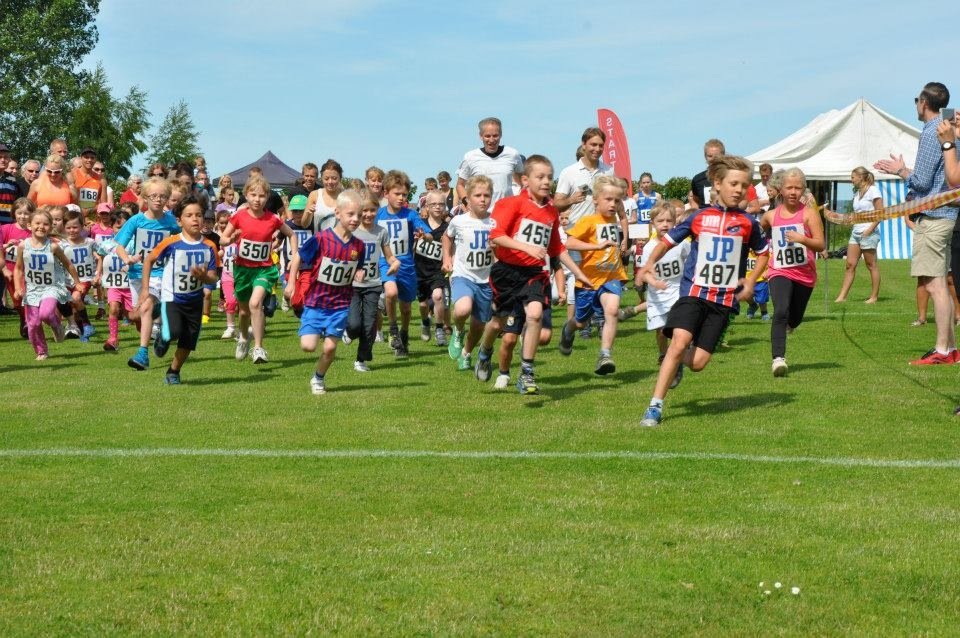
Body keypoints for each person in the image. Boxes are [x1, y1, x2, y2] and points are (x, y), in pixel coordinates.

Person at [639, 155, 770, 427]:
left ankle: (677, 361)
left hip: (723, 301)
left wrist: (750, 281)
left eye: (744, 185)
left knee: (698, 363)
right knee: (679, 341)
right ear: (718, 184)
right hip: (693, 293)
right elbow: (666, 242)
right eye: (733, 183)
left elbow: (763, 253)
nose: (739, 190)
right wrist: (649, 263)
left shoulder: (748, 223)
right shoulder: (699, 217)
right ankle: (655, 406)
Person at [473, 155, 590, 394]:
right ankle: (485, 351)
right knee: (497, 323)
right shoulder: (511, 204)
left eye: (550, 177)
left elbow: (557, 249)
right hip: (507, 273)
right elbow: (496, 236)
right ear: (525, 180)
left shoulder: (551, 212)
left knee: (535, 314)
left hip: (535, 273)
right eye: (540, 177)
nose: (546, 182)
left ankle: (526, 372)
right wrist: (526, 247)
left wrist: (579, 273)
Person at [875, 82, 958, 365]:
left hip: (933, 217)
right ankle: (950, 349)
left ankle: (942, 350)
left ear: (924, 102)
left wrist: (900, 171)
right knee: (940, 284)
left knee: (934, 286)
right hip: (945, 216)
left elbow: (922, 182)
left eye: (916, 100)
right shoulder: (947, 129)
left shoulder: (932, 131)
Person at [284, 190, 367, 395]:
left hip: (340, 304)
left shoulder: (359, 246)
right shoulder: (321, 239)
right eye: (350, 214)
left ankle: (318, 378)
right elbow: (298, 257)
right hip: (316, 302)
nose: (355, 219)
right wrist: (291, 283)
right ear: (337, 213)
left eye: (359, 215)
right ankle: (316, 328)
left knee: (330, 348)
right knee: (308, 346)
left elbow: (359, 267)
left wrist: (360, 273)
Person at [142, 193, 220, 385]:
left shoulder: (210, 246)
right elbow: (149, 260)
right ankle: (163, 334)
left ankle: (173, 371)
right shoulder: (171, 243)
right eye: (189, 215)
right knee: (174, 330)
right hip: (172, 298)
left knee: (188, 342)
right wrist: (145, 289)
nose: (195, 219)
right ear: (179, 221)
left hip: (195, 301)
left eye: (199, 215)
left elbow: (214, 276)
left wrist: (204, 277)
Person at [220, 175, 297, 364]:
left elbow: (291, 234)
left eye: (262, 196)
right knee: (244, 312)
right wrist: (230, 240)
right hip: (243, 270)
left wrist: (295, 255)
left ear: (267, 197)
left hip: (264, 270)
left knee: (256, 304)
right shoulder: (239, 216)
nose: (257, 199)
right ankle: (243, 338)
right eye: (253, 195)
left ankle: (258, 348)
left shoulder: (272, 219)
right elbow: (222, 239)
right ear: (246, 195)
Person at [557, 175, 628, 374]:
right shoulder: (588, 221)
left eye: (617, 200)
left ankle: (605, 355)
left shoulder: (613, 219)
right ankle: (568, 330)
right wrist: (596, 246)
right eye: (608, 199)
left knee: (612, 310)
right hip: (589, 281)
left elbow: (622, 221)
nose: (613, 204)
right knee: (580, 322)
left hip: (611, 277)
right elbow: (569, 243)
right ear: (595, 200)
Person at [760, 168, 825, 376]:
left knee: (794, 319)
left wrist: (802, 239)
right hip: (779, 270)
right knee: (780, 310)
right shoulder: (770, 216)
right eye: (789, 187)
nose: (793, 192)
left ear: (803, 190)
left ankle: (790, 325)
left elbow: (821, 244)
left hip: (804, 274)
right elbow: (758, 232)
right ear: (781, 189)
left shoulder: (809, 214)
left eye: (798, 188)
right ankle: (778, 359)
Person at [113, 177, 183, 371]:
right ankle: (161, 325)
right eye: (153, 196)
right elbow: (119, 246)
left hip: (160, 274)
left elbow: (182, 240)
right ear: (144, 197)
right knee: (136, 315)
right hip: (137, 274)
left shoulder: (171, 222)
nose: (158, 200)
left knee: (145, 307)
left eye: (163, 196)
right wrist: (127, 258)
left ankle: (142, 354)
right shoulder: (136, 221)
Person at [376, 169, 436, 359]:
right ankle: (393, 329)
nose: (401, 198)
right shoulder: (378, 215)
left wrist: (424, 236)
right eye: (397, 194)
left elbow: (429, 235)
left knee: (407, 308)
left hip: (407, 266)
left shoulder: (410, 215)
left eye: (404, 194)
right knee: (390, 292)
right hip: (385, 263)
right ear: (386, 193)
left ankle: (404, 333)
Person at [443, 174, 495, 370]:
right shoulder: (459, 221)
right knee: (463, 309)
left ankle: (466, 353)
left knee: (478, 326)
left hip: (486, 279)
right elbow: (446, 237)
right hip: (463, 275)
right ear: (468, 198)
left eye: (486, 195)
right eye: (477, 195)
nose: (482, 199)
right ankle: (457, 330)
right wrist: (447, 258)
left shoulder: (495, 222)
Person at [636, 201, 691, 386]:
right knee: (660, 331)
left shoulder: (681, 244)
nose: (665, 225)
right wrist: (654, 283)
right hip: (657, 295)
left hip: (677, 291)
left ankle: (677, 361)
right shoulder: (648, 248)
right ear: (653, 223)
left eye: (669, 221)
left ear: (675, 222)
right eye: (660, 221)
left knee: (677, 330)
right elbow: (644, 272)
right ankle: (662, 353)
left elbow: (690, 261)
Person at [13, 207, 78, 360]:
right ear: (29, 225)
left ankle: (57, 326)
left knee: (46, 313)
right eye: (37, 223)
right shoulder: (23, 246)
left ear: (50, 227)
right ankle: (41, 351)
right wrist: (17, 287)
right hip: (32, 289)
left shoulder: (53, 246)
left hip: (51, 287)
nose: (41, 227)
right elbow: (18, 268)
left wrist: (77, 282)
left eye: (45, 224)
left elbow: (68, 264)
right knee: (33, 324)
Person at [348, 191, 400, 372]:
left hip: (373, 284)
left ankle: (361, 359)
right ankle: (348, 332)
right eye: (364, 210)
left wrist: (395, 262)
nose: (368, 214)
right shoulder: (352, 231)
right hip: (352, 286)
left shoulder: (381, 232)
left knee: (370, 325)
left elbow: (389, 255)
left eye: (372, 210)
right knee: (354, 324)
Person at [835, 167, 882, 304]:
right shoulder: (857, 193)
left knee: (871, 264)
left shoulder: (873, 190)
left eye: (852, 177)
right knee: (850, 264)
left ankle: (874, 297)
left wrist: (869, 230)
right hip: (856, 232)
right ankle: (842, 296)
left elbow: (880, 213)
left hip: (869, 232)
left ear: (860, 177)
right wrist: (846, 219)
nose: (851, 180)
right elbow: (857, 214)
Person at [456, 117, 524, 207]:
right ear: (481, 136)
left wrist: (521, 201)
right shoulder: (470, 157)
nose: (491, 140)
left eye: (495, 136)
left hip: (506, 211)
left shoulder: (512, 154)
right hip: (480, 212)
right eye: (487, 136)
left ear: (501, 134)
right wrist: (466, 202)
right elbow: (460, 185)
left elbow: (523, 181)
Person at [414, 190, 449, 345]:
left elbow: (452, 248)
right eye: (433, 204)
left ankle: (439, 329)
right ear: (426, 206)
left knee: (438, 296)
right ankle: (425, 322)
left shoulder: (448, 228)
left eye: (441, 204)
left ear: (445, 206)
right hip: (419, 270)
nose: (437, 207)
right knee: (423, 304)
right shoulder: (419, 225)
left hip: (437, 271)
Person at [97, 212, 133, 351]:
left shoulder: (133, 244)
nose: (122, 230)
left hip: (130, 285)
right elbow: (101, 257)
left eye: (125, 227)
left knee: (133, 316)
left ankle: (146, 333)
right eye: (118, 227)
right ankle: (113, 338)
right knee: (113, 308)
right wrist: (98, 273)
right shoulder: (107, 244)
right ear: (111, 227)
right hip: (114, 284)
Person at [62, 210, 99, 341]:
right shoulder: (62, 245)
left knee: (76, 298)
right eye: (68, 228)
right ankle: (83, 332)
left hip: (84, 279)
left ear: (82, 226)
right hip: (67, 280)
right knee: (74, 306)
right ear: (64, 227)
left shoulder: (90, 242)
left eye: (75, 227)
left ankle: (87, 324)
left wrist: (98, 273)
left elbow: (101, 256)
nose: (72, 230)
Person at [2, 198, 36, 336]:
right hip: (10, 272)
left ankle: (29, 323)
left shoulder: (33, 231)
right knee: (17, 301)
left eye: (26, 213)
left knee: (27, 297)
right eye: (19, 213)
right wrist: (6, 246)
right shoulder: (5, 229)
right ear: (14, 213)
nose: (23, 216)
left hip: (28, 272)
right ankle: (24, 318)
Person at [215, 210, 239, 339]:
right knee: (230, 301)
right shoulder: (223, 240)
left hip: (241, 277)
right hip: (227, 276)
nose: (224, 226)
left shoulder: (239, 238)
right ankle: (230, 327)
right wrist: (213, 257)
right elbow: (222, 252)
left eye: (227, 223)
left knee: (242, 305)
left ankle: (245, 327)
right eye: (222, 223)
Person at [302, 159, 343, 233]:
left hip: (341, 240)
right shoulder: (315, 195)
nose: (330, 182)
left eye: (334, 178)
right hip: (320, 240)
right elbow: (304, 225)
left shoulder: (346, 196)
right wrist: (308, 213)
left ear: (340, 178)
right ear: (321, 179)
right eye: (326, 179)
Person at [72, 147, 107, 218]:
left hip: (93, 219)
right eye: (86, 157)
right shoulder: (72, 175)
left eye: (92, 157)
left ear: (95, 159)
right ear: (81, 158)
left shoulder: (101, 180)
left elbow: (103, 204)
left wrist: (89, 210)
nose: (89, 160)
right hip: (75, 217)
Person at [689, 139, 726, 209]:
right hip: (705, 215)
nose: (713, 159)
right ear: (705, 156)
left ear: (723, 156)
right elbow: (695, 200)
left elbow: (743, 201)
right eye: (710, 156)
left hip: (727, 215)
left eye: (717, 156)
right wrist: (697, 213)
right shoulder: (697, 179)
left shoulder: (731, 177)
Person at [0, 142, 26, 225]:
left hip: (9, 224)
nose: (3, 160)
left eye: (6, 157)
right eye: (0, 157)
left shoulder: (12, 179)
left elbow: (19, 201)